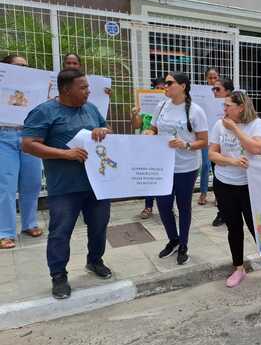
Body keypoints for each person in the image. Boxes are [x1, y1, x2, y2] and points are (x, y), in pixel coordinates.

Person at [21, 68, 113, 299]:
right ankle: (59, 275)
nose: (88, 92)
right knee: (60, 232)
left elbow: (106, 129)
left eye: (87, 87)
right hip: (64, 187)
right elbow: (29, 144)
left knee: (100, 226)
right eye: (83, 88)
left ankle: (95, 261)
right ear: (66, 89)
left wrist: (104, 130)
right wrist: (65, 154)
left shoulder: (91, 109)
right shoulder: (44, 112)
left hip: (97, 184)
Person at [209, 90, 261, 288]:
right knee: (233, 228)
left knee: (257, 228)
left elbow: (256, 148)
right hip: (224, 184)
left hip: (250, 186)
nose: (224, 109)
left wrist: (234, 128)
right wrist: (231, 161)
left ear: (241, 107)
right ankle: (238, 268)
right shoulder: (219, 124)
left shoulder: (257, 124)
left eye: (228, 106)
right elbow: (212, 154)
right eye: (224, 105)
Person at [145, 72, 208, 265]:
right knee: (163, 206)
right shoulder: (161, 106)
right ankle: (173, 240)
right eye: (165, 83)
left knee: (183, 206)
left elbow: (204, 141)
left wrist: (186, 145)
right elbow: (154, 128)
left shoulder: (196, 111)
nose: (165, 86)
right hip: (162, 165)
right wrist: (149, 132)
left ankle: (184, 245)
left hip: (186, 167)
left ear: (183, 86)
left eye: (170, 83)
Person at [0, 55, 44, 250]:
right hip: (4, 137)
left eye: (26, 66)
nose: (24, 69)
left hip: (29, 137)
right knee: (6, 186)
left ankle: (29, 223)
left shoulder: (36, 87)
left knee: (32, 182)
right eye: (18, 66)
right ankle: (5, 232)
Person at [130, 75, 167, 219]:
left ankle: (167, 206)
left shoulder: (170, 108)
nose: (160, 91)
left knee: (166, 176)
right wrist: (135, 114)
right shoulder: (144, 106)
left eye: (163, 89)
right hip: (148, 146)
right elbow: (136, 126)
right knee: (150, 176)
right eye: (157, 88)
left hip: (164, 146)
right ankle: (148, 206)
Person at [210, 76, 234, 227]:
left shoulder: (238, 107)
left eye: (217, 89)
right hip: (215, 148)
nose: (214, 92)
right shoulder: (208, 104)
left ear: (228, 92)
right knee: (218, 181)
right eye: (213, 89)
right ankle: (222, 212)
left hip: (233, 151)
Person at [197, 67, 220, 206]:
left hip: (218, 136)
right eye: (210, 78)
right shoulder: (201, 95)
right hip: (205, 135)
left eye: (215, 77)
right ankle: (203, 193)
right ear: (206, 79)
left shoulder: (222, 95)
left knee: (217, 165)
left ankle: (218, 195)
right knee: (205, 165)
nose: (213, 80)